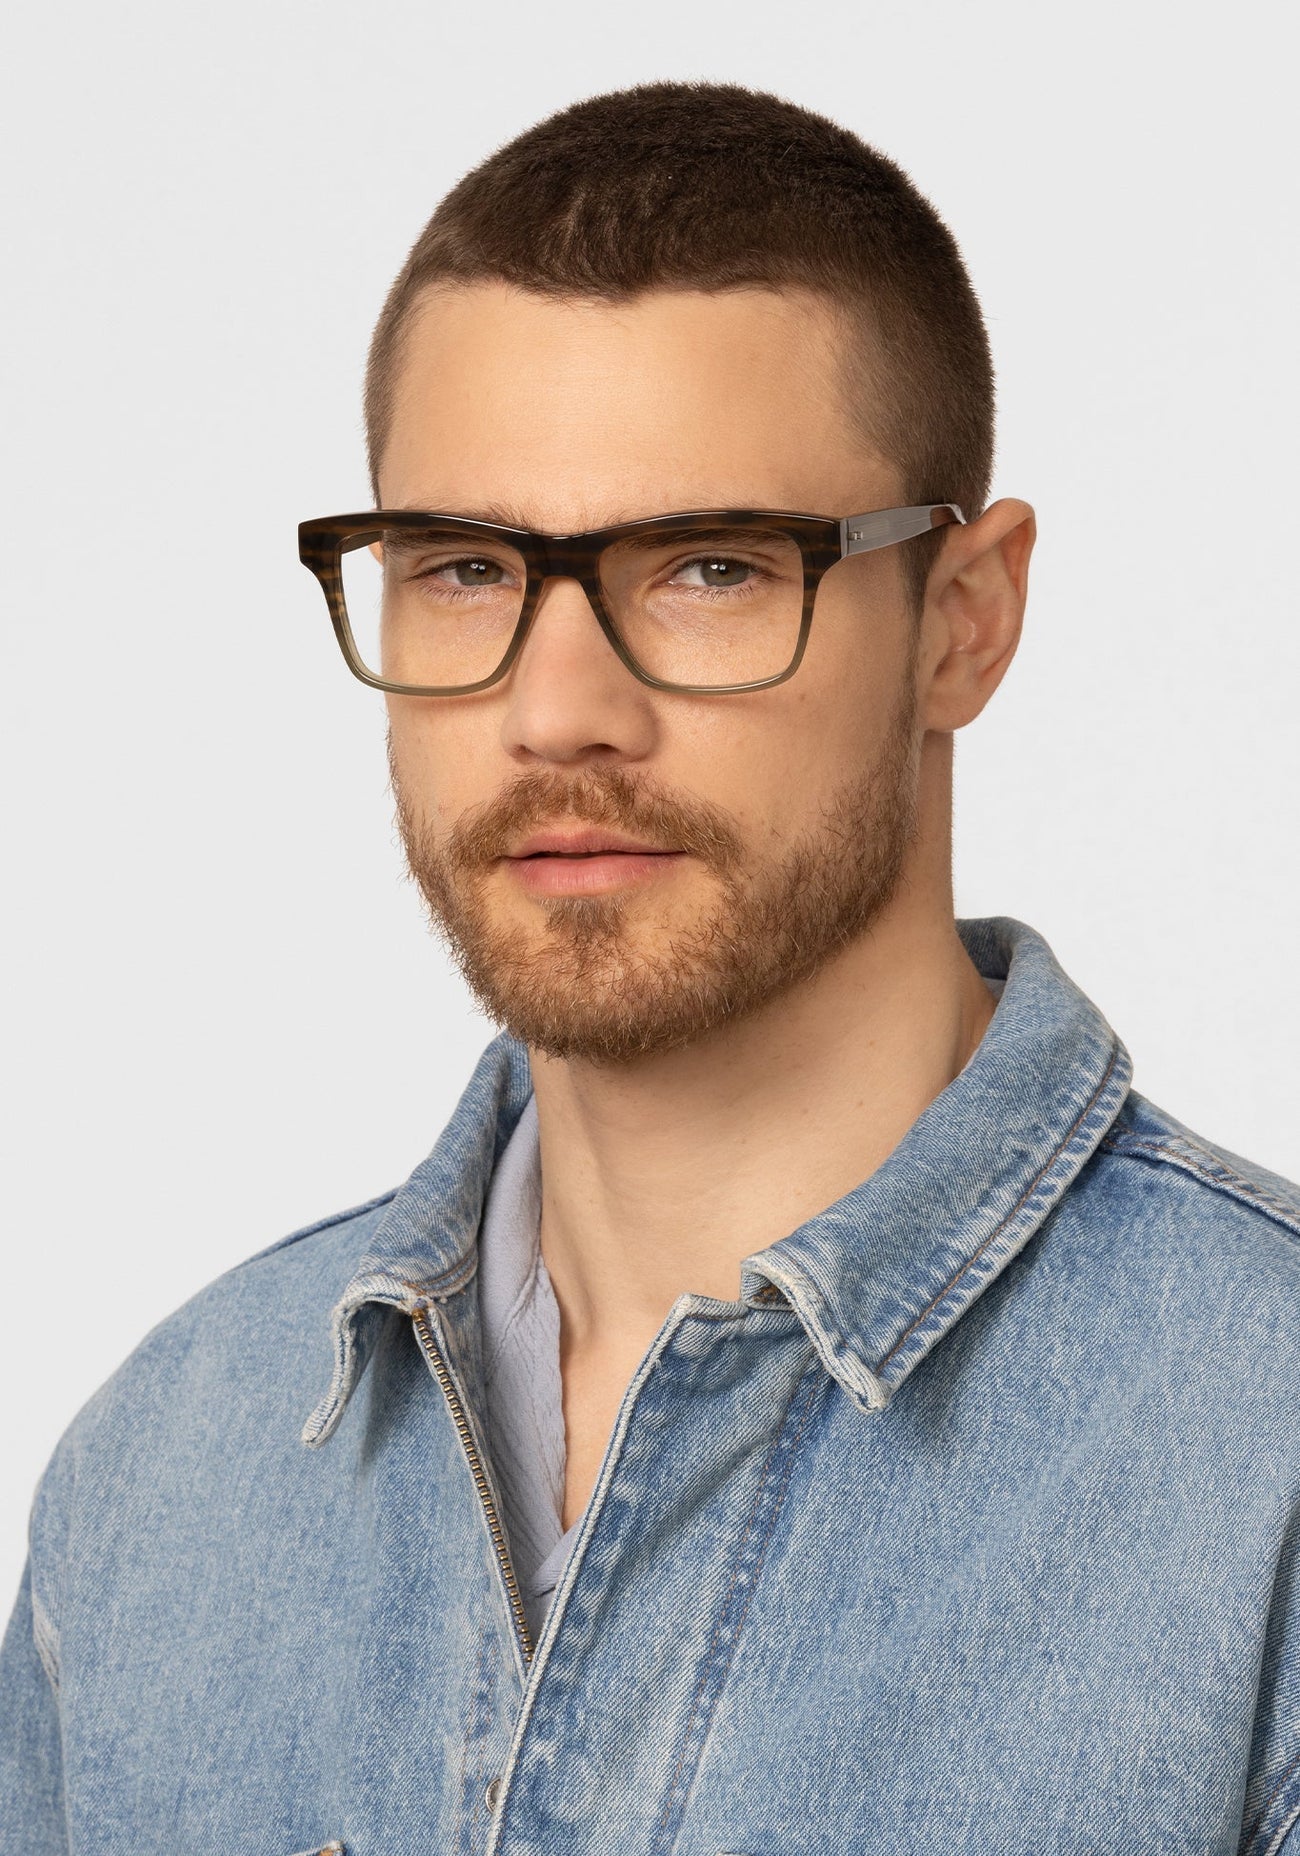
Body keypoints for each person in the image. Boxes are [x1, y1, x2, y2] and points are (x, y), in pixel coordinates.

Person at [3, 78, 1298, 1856]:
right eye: (466, 569)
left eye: (708, 568)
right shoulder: (160, 1492)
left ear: (965, 620)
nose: (557, 712)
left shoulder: (1265, 1465)